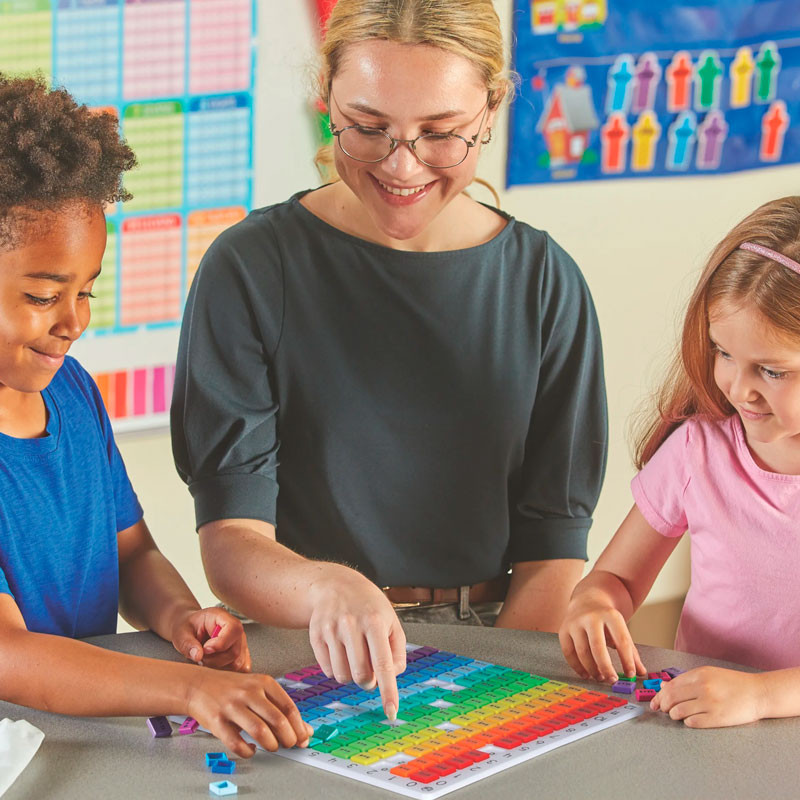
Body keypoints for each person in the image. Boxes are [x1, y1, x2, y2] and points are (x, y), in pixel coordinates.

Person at [172, 0, 607, 722]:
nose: (401, 167)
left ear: (492, 108)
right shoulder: (250, 268)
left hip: (501, 639)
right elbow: (232, 543)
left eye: (441, 135)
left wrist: (486, 693)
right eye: (367, 128)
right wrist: (326, 591)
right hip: (303, 642)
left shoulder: (543, 281)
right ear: (327, 100)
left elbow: (553, 547)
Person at [0, 74, 311, 758]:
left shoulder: (72, 393)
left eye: (85, 290)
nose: (74, 320)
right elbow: (10, 656)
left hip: (91, 734)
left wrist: (181, 621)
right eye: (44, 294)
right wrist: (186, 691)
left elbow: (131, 551)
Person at [559, 196, 800, 728]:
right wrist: (594, 603)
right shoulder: (698, 450)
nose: (739, 387)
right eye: (724, 353)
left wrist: (761, 696)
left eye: (773, 371)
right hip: (702, 739)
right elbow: (617, 578)